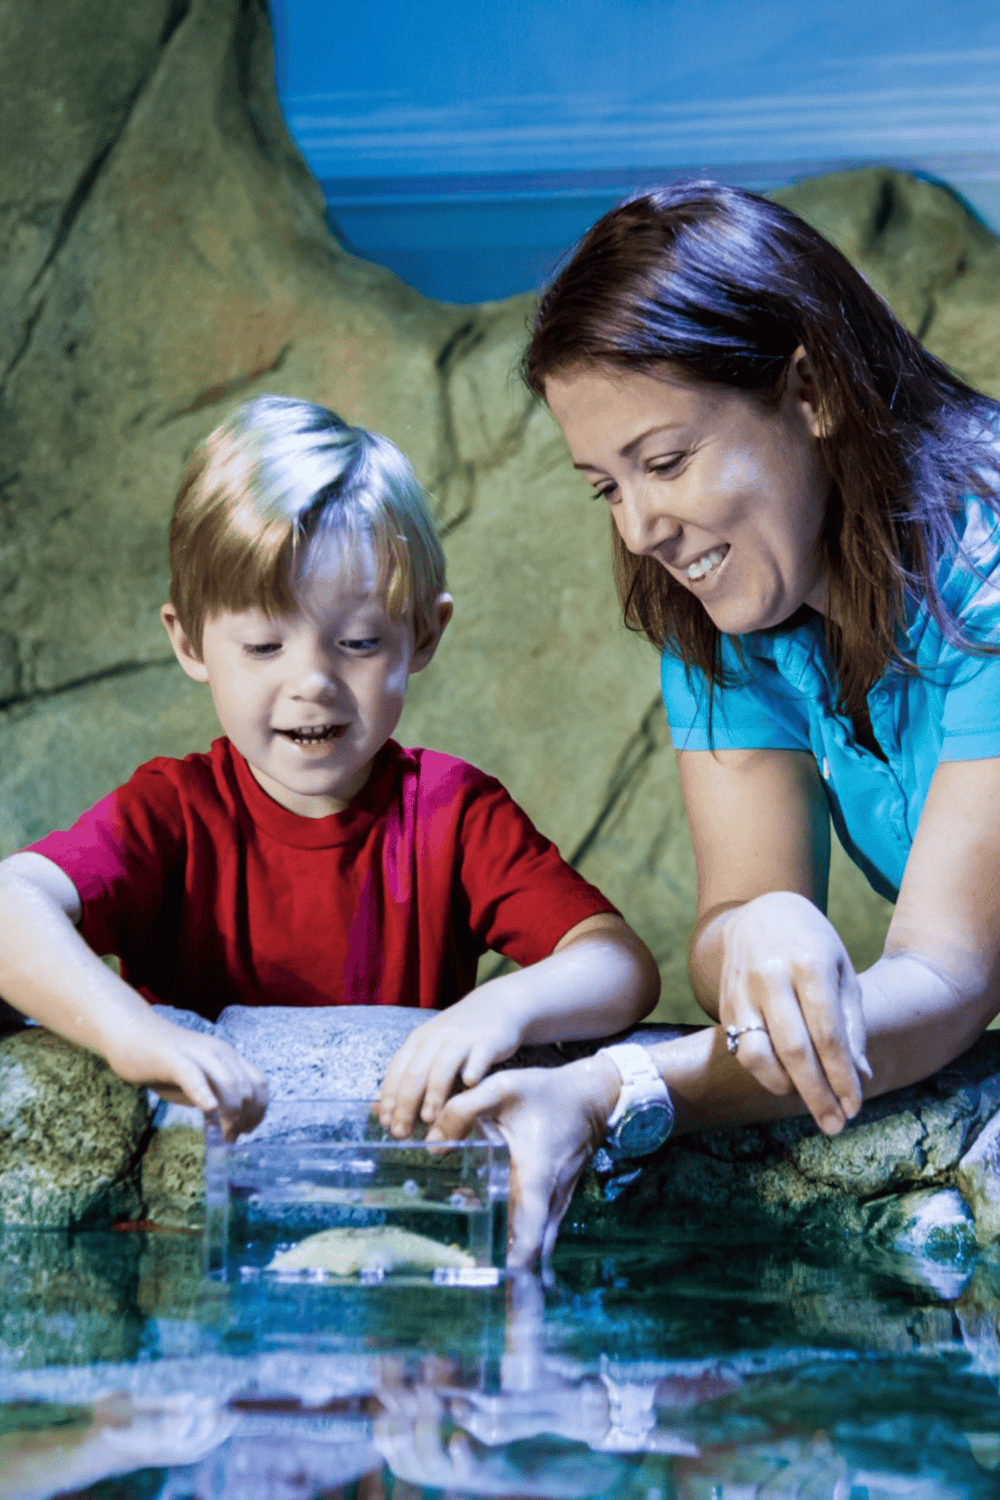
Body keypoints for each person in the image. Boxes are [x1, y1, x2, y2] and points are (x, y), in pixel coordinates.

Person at [429, 180, 1000, 1266]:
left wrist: (611, 1089)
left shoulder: (989, 578)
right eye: (604, 486)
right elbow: (731, 920)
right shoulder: (731, 605)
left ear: (808, 386)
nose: (641, 526)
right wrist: (757, 928)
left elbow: (947, 980)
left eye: (665, 460)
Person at [0, 396, 660, 1140]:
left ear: (422, 636)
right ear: (189, 644)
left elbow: (619, 964)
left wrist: (500, 1009)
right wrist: (135, 1035)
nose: (311, 681)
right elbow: (9, 905)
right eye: (263, 646)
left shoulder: (455, 814)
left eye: (358, 643)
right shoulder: (171, 813)